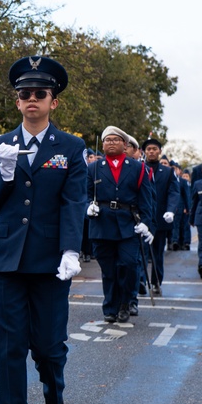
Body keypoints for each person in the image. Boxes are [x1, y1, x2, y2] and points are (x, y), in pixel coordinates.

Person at [0, 56, 86, 404]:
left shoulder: (71, 147)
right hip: (7, 259)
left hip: (49, 261)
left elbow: (74, 200)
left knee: (48, 346)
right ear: (17, 102)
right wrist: (3, 173)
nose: (31, 100)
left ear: (53, 102)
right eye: (24, 94)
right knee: (8, 348)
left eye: (39, 94)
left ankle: (54, 394)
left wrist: (71, 249)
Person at [86, 127, 155, 323]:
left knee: (128, 265)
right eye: (108, 140)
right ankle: (110, 307)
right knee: (108, 269)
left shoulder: (137, 168)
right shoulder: (93, 168)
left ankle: (126, 302)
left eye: (116, 140)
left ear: (125, 145)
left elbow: (146, 199)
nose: (111, 143)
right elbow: (85, 194)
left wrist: (146, 224)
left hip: (128, 224)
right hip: (102, 224)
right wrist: (87, 207)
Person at [140, 139, 180, 295]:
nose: (151, 151)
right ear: (144, 151)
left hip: (160, 218)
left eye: (154, 149)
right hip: (142, 218)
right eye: (148, 149)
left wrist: (171, 210)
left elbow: (174, 192)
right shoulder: (139, 168)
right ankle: (141, 281)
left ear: (159, 151)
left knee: (157, 253)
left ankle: (156, 282)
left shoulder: (168, 172)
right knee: (141, 252)